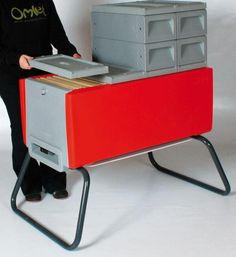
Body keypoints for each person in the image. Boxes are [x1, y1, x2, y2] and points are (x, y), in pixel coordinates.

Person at [0, 0, 81, 201]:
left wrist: (71, 52)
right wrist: (15, 57)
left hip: (43, 71)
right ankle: (29, 183)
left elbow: (57, 33)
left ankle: (53, 180)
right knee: (22, 129)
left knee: (50, 127)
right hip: (11, 74)